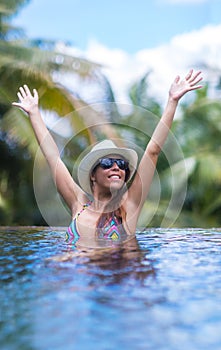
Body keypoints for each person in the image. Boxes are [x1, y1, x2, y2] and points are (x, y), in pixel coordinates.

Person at [12, 69, 203, 249]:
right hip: (78, 280)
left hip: (115, 281)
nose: (116, 167)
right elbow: (52, 158)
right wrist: (34, 114)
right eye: (106, 163)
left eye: (121, 164)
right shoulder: (78, 203)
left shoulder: (130, 206)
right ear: (93, 175)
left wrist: (172, 101)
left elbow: (153, 150)